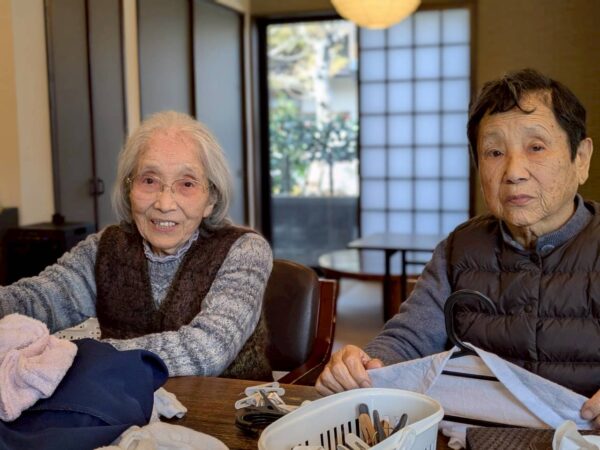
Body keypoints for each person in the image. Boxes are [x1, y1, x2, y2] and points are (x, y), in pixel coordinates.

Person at [316, 68, 600, 424]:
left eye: (536, 147)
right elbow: (410, 338)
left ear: (581, 158)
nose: (514, 172)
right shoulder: (459, 249)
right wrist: (363, 366)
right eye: (494, 152)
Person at [0, 110, 273, 380]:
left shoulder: (245, 250)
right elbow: (37, 301)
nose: (164, 204)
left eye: (187, 184)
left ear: (211, 199)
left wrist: (78, 356)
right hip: (127, 405)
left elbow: (208, 350)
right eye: (149, 180)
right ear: (129, 189)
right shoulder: (104, 248)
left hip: (229, 405)